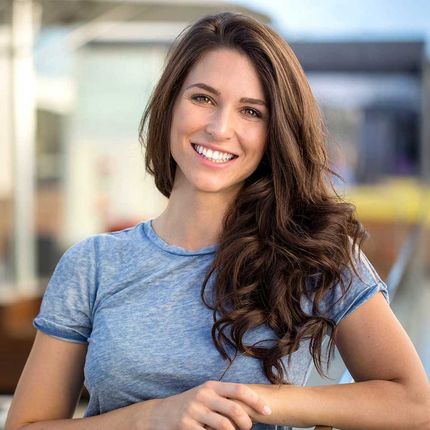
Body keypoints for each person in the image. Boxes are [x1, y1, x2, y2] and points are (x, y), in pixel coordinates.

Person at [6, 11, 430, 430]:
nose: (219, 127)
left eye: (251, 112)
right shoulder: (92, 265)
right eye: (203, 98)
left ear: (275, 132)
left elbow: (414, 403)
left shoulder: (317, 253)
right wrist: (152, 416)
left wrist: (255, 401)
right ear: (170, 103)